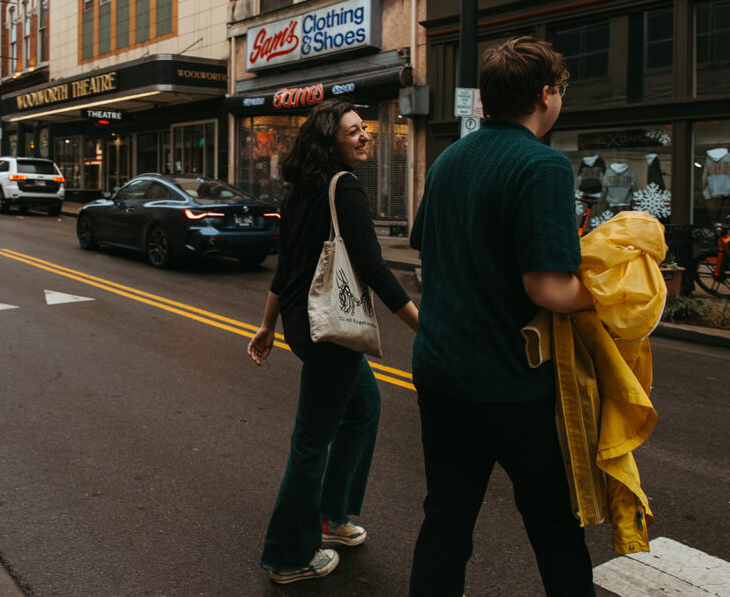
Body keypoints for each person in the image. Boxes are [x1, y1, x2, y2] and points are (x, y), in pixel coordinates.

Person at [409, 36, 596, 596]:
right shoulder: (543, 167)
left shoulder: (449, 159)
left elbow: (427, 254)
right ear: (545, 95)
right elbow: (548, 287)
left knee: (447, 516)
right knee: (555, 527)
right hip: (510, 383)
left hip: (441, 370)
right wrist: (606, 294)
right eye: (559, 90)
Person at [247, 99, 419, 585]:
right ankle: (288, 554)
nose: (364, 136)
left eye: (363, 129)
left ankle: (330, 516)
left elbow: (287, 267)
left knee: (364, 408)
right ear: (330, 141)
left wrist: (267, 325)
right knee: (310, 442)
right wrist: (422, 329)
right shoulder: (345, 190)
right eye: (352, 131)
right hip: (332, 330)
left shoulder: (300, 192)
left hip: (306, 325)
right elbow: (374, 268)